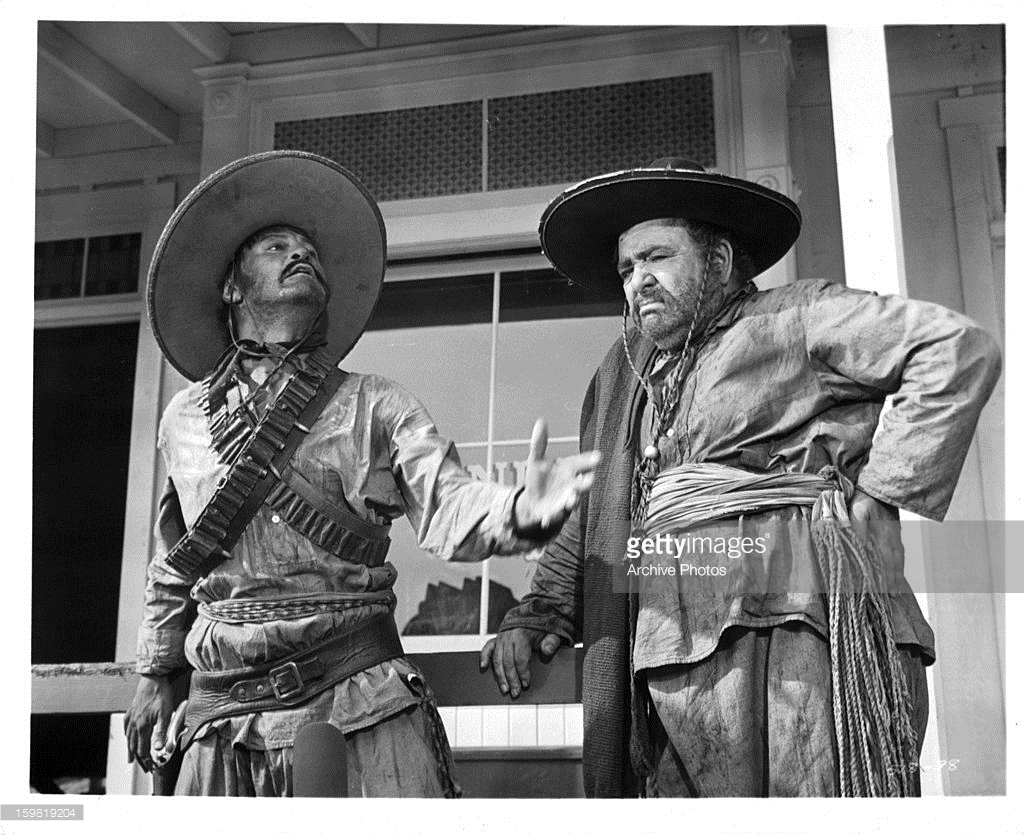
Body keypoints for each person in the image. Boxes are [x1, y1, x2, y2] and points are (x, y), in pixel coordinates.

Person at [480, 157, 1001, 798]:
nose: (638, 281)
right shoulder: (626, 380)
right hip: (671, 649)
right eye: (627, 269)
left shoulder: (795, 316)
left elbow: (955, 349)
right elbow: (598, 508)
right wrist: (539, 614)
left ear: (719, 262)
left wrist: (880, 492)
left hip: (799, 628)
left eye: (657, 257)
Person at [123, 150, 599, 797]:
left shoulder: (375, 403)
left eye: (309, 250)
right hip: (224, 721)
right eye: (275, 246)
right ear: (232, 288)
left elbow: (449, 502)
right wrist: (155, 672)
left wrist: (519, 510)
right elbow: (175, 559)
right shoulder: (183, 417)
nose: (301, 253)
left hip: (358, 702)